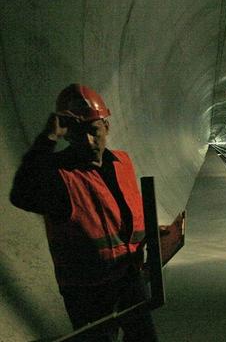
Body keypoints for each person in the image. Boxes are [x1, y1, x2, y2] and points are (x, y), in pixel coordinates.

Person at [10, 84, 158, 341]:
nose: (89, 142)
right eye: (79, 134)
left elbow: (124, 215)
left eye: (94, 131)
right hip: (87, 294)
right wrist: (47, 139)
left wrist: (154, 235)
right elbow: (21, 194)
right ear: (68, 135)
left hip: (129, 278)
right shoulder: (59, 175)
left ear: (106, 127)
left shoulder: (123, 162)